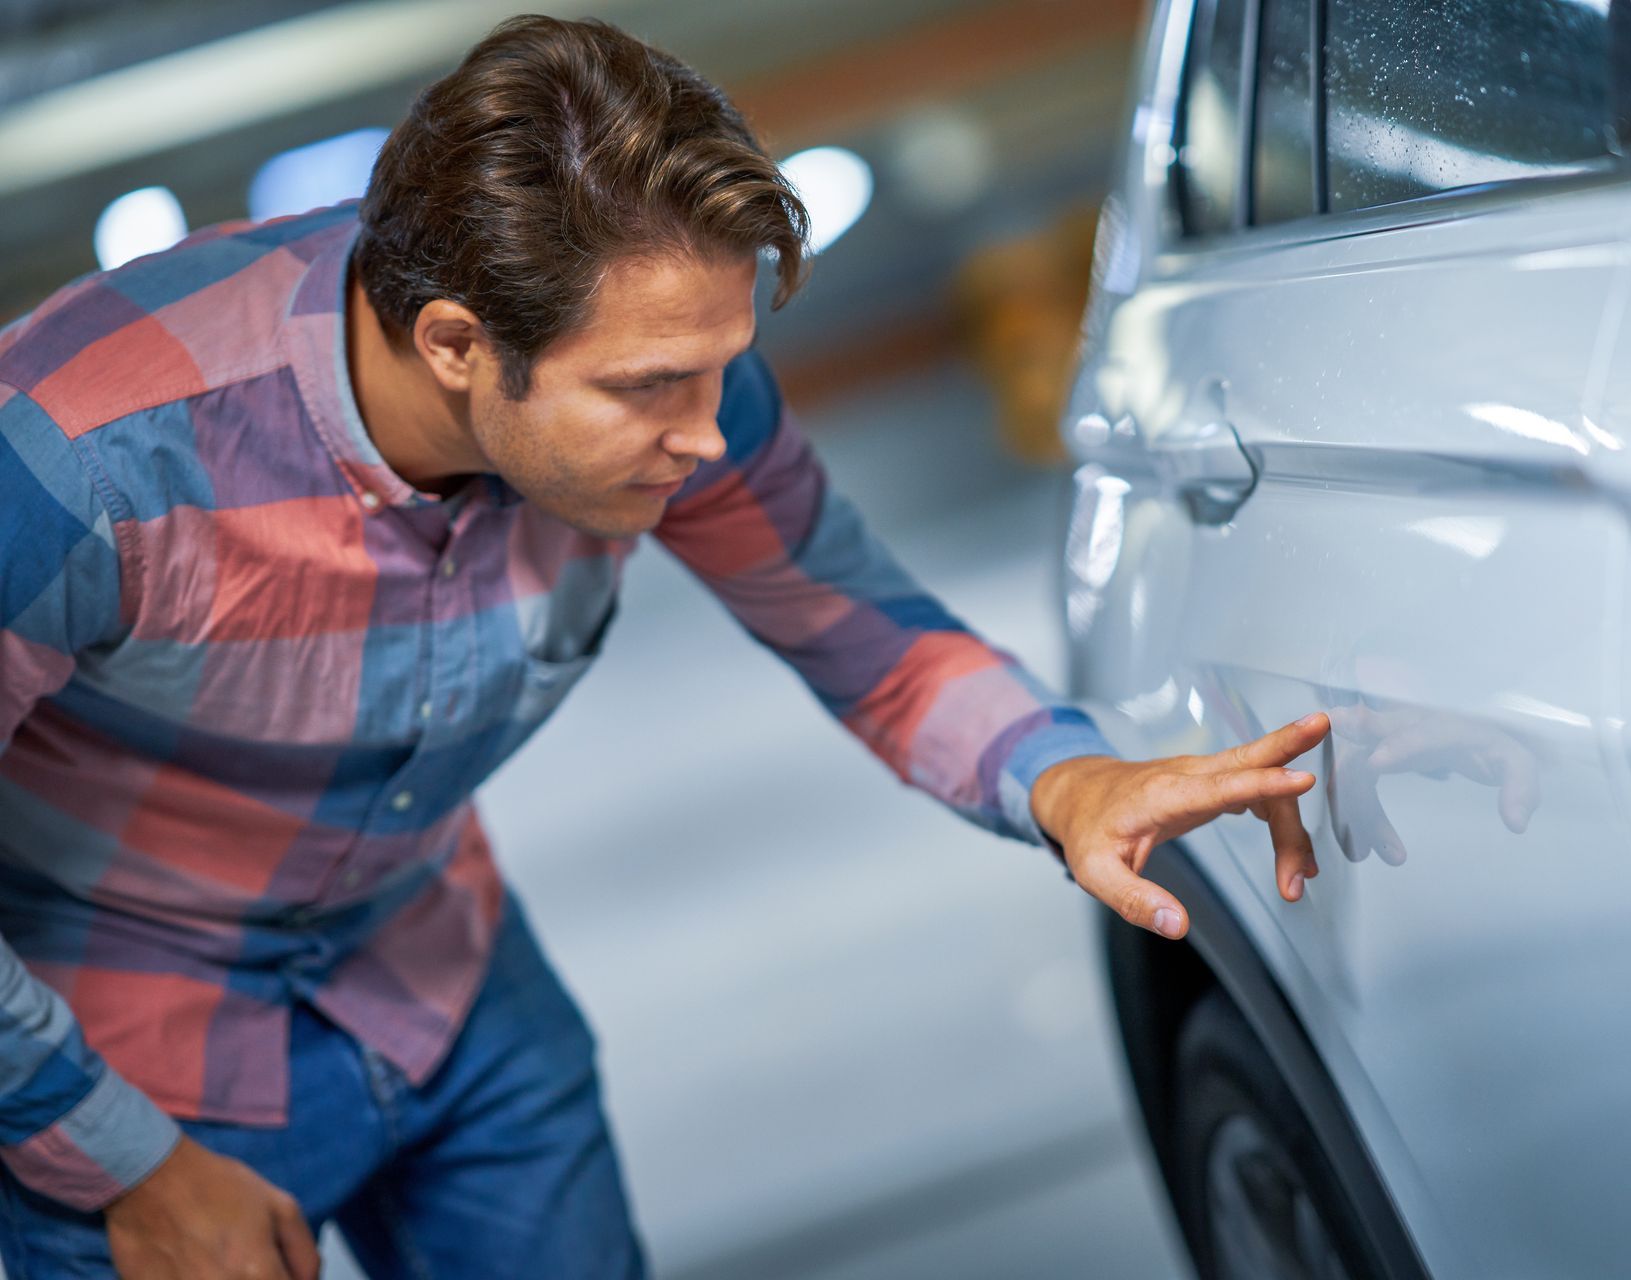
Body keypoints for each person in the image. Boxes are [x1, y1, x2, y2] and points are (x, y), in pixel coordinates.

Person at [0, 15, 1327, 1278]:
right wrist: (131, 1168)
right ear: (457, 344)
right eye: (646, 392)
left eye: (721, 369)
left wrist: (1071, 781)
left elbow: (858, 628)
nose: (707, 437)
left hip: (436, 974)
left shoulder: (672, 378)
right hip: (116, 1061)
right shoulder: (78, 462)